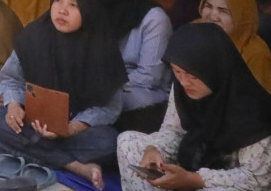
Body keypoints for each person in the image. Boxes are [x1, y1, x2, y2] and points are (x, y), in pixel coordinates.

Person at [0, 0, 127, 190]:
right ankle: (76, 167)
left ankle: (38, 153)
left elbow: (109, 107)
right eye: (58, 1)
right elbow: (11, 78)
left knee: (109, 142)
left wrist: (70, 129)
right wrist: (14, 106)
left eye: (73, 5)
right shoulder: (36, 35)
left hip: (77, 129)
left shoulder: (102, 48)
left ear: (88, 10)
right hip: (34, 120)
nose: (62, 10)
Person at [116, 22, 271, 191]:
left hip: (223, 180)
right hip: (192, 163)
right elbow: (174, 130)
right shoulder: (183, 87)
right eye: (177, 71)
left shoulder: (254, 113)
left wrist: (195, 180)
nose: (183, 82)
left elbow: (257, 180)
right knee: (128, 142)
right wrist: (155, 150)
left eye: (193, 76)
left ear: (215, 70)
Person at [89, 0, 172, 133]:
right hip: (102, 86)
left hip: (145, 95)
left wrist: (103, 84)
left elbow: (150, 76)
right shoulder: (94, 12)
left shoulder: (154, 19)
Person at [198, 0, 271, 93]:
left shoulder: (256, 54)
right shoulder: (196, 35)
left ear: (242, 16)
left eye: (223, 11)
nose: (213, 16)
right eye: (208, 6)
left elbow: (258, 105)